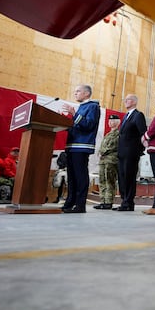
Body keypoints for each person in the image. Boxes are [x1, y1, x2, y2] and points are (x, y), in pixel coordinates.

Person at [61, 84, 100, 213]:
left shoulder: (93, 107)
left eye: (78, 91)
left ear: (86, 94)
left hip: (82, 146)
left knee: (80, 176)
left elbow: (88, 125)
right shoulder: (81, 108)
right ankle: (69, 202)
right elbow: (76, 125)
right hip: (72, 146)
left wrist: (74, 114)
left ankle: (80, 205)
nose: (75, 93)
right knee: (71, 177)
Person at [115, 94, 147, 211]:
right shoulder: (126, 116)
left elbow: (143, 133)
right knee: (122, 177)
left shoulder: (138, 115)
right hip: (122, 152)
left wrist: (138, 150)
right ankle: (124, 201)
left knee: (129, 177)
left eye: (127, 100)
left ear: (134, 102)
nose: (125, 102)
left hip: (131, 152)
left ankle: (128, 203)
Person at [95, 114, 120, 209]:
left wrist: (102, 152)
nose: (110, 122)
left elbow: (113, 146)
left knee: (110, 181)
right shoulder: (108, 134)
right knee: (102, 180)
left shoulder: (118, 133)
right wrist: (100, 152)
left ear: (117, 123)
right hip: (103, 160)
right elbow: (102, 146)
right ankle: (103, 200)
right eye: (109, 120)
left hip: (111, 160)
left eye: (113, 121)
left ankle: (109, 201)